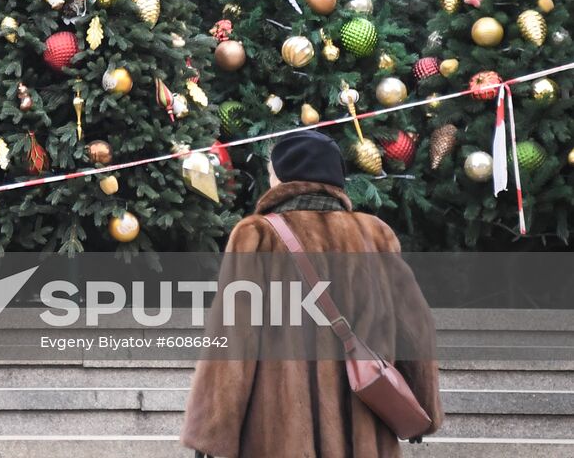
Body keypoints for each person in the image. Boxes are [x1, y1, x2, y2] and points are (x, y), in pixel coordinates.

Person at [181, 130, 444, 457]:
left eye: (271, 172)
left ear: (284, 175)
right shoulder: (375, 236)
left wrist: (210, 433)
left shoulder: (257, 236)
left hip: (279, 433)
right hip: (364, 429)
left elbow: (233, 341)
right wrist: (421, 407)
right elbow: (415, 329)